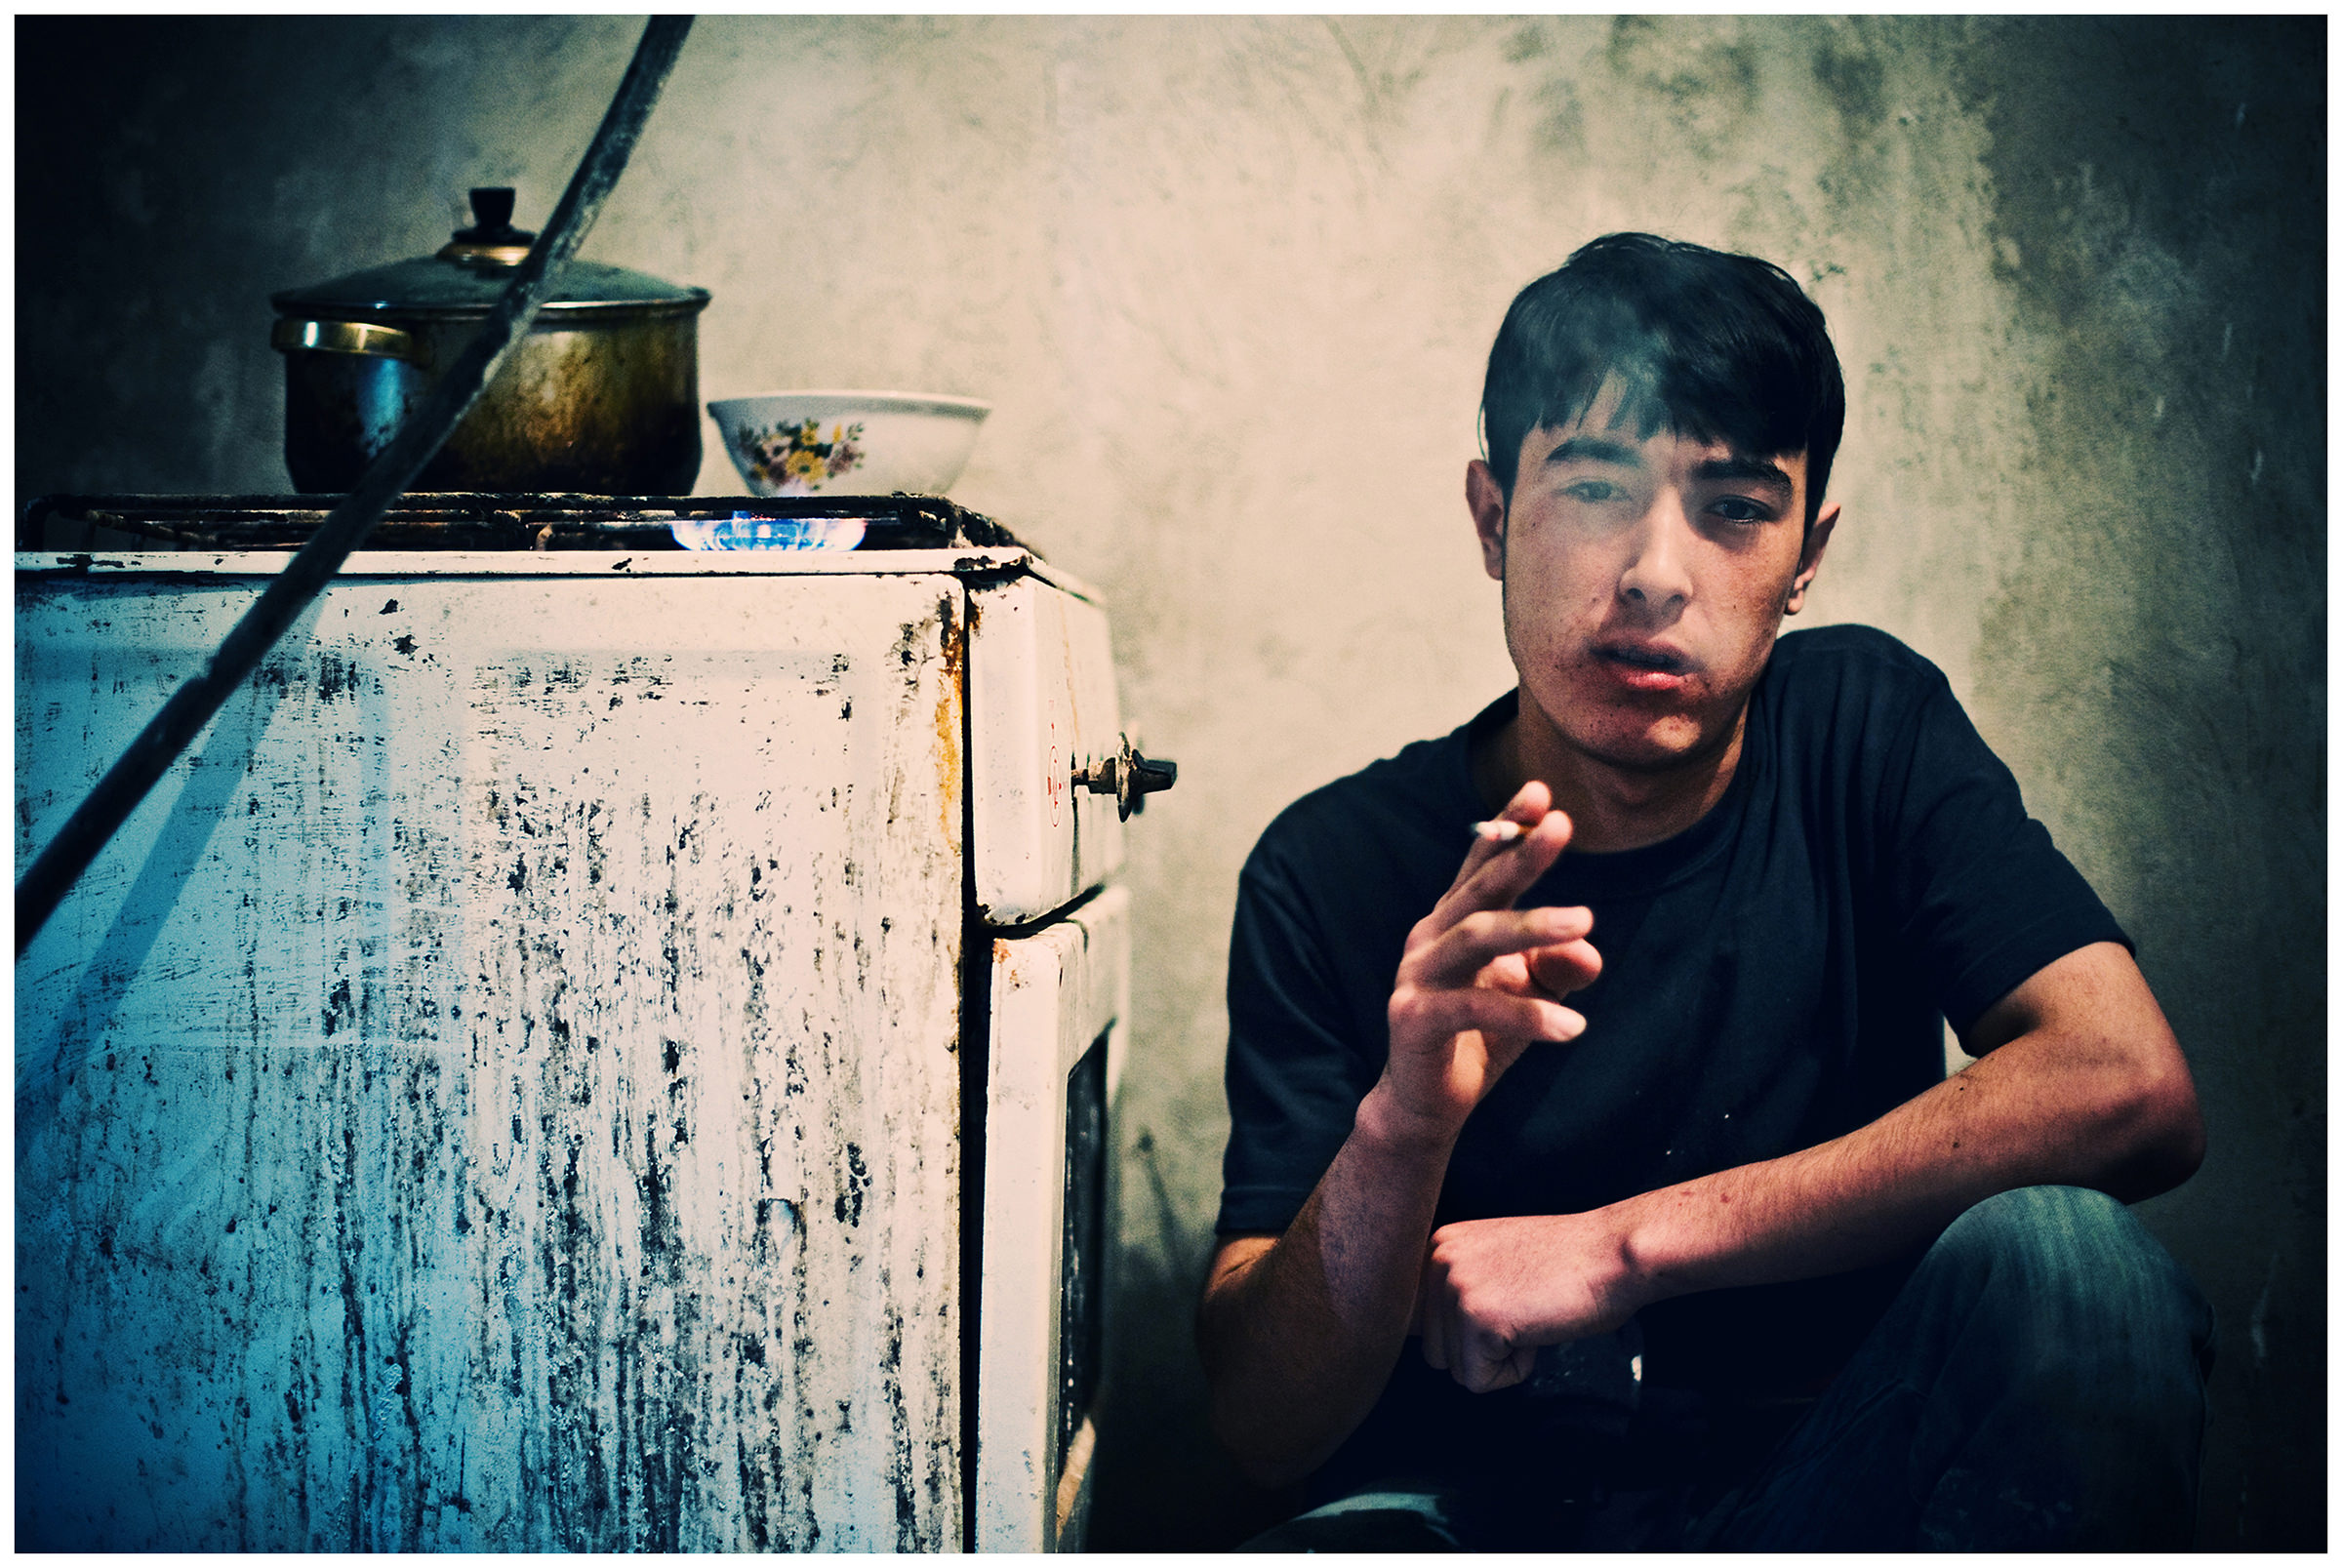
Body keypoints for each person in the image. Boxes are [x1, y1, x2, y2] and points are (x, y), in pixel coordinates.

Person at [1195, 233, 2213, 1551]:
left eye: (1733, 506)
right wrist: (1401, 1125)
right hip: (1470, 1508)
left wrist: (1618, 1249)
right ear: (1495, 517)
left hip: (1824, 1487)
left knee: (2075, 1269)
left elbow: (2129, 1085)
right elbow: (1262, 1429)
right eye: (1596, 488)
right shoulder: (1333, 865)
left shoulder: (1867, 730)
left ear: (1806, 553)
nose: (1657, 574)